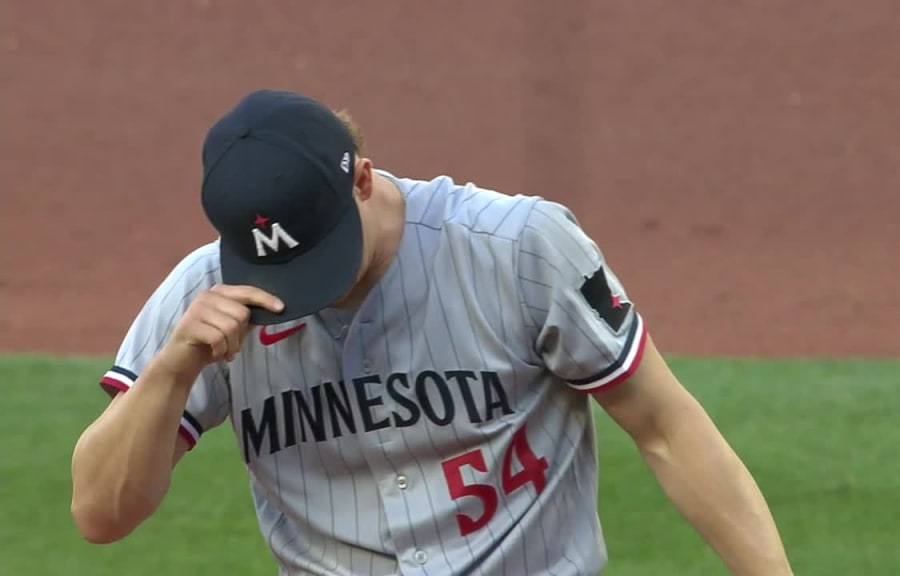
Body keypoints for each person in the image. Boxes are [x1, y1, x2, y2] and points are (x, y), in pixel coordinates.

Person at [70, 89, 793, 575]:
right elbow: (101, 514)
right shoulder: (207, 295)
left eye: (319, 259)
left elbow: (665, 426)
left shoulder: (518, 249)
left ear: (364, 179)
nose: (304, 291)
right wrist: (171, 371)